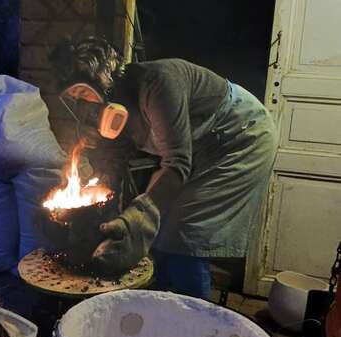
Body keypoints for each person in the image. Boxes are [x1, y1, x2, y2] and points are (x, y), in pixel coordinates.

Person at [49, 36, 278, 299]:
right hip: (202, 146)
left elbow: (177, 163)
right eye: (74, 97)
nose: (83, 102)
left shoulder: (158, 84)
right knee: (165, 228)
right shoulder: (114, 104)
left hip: (240, 138)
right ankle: (165, 301)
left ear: (103, 76)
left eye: (83, 91)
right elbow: (118, 157)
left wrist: (137, 218)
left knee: (185, 233)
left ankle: (191, 321)